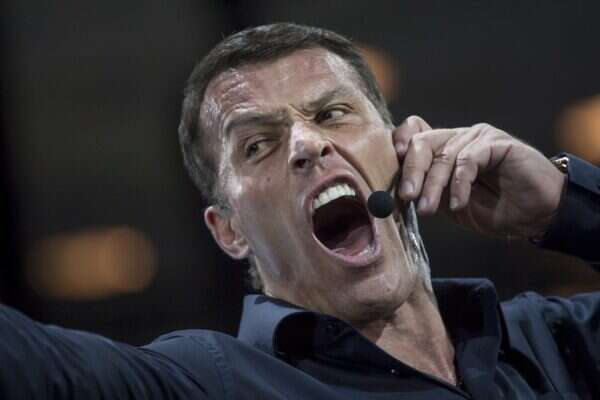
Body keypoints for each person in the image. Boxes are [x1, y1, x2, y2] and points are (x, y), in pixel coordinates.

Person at [1, 23, 599, 399]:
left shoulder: (555, 339)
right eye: (257, 145)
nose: (307, 144)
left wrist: (566, 205)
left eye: (332, 113)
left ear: (407, 147)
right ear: (229, 230)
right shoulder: (211, 383)